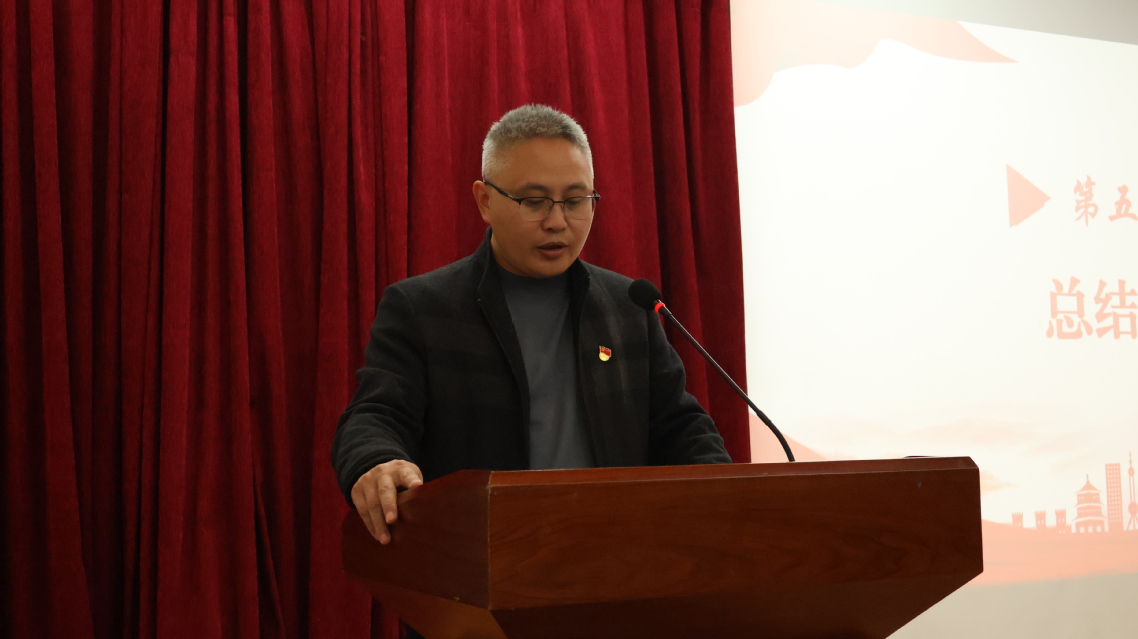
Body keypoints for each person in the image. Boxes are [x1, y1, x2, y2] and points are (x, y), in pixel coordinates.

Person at [331, 104, 731, 548]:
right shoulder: (424, 308)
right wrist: (376, 460)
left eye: (575, 201)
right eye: (534, 202)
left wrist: (730, 495)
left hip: (616, 557)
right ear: (485, 200)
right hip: (482, 560)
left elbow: (680, 426)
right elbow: (375, 415)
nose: (557, 222)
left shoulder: (627, 306)